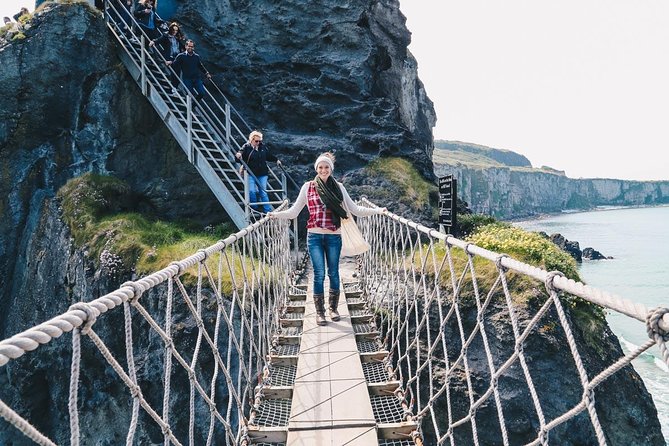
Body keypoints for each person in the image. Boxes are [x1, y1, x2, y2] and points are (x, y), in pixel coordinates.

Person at [269, 153, 385, 325]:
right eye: (320, 167)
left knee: (333, 273)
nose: (323, 170)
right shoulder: (308, 187)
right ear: (316, 169)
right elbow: (294, 212)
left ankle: (333, 309)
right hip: (314, 236)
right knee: (319, 273)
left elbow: (355, 209)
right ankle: (320, 312)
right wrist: (275, 214)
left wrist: (378, 211)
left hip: (334, 236)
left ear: (331, 169)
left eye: (326, 167)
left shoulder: (339, 187)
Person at [235, 131, 282, 214]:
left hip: (262, 173)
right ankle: (254, 208)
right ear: (251, 140)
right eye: (256, 141)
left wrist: (276, 160)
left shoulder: (262, 147)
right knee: (251, 191)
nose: (258, 143)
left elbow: (268, 155)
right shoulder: (246, 147)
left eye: (260, 141)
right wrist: (238, 155)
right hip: (250, 173)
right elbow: (240, 153)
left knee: (263, 191)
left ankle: (268, 211)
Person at [150, 22, 186, 93]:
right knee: (174, 72)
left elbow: (182, 46)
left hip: (177, 57)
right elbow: (159, 40)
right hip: (170, 56)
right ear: (170, 29)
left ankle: (174, 88)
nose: (175, 32)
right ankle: (173, 88)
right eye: (173, 30)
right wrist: (153, 42)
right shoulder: (166, 35)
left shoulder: (177, 37)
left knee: (177, 73)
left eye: (176, 30)